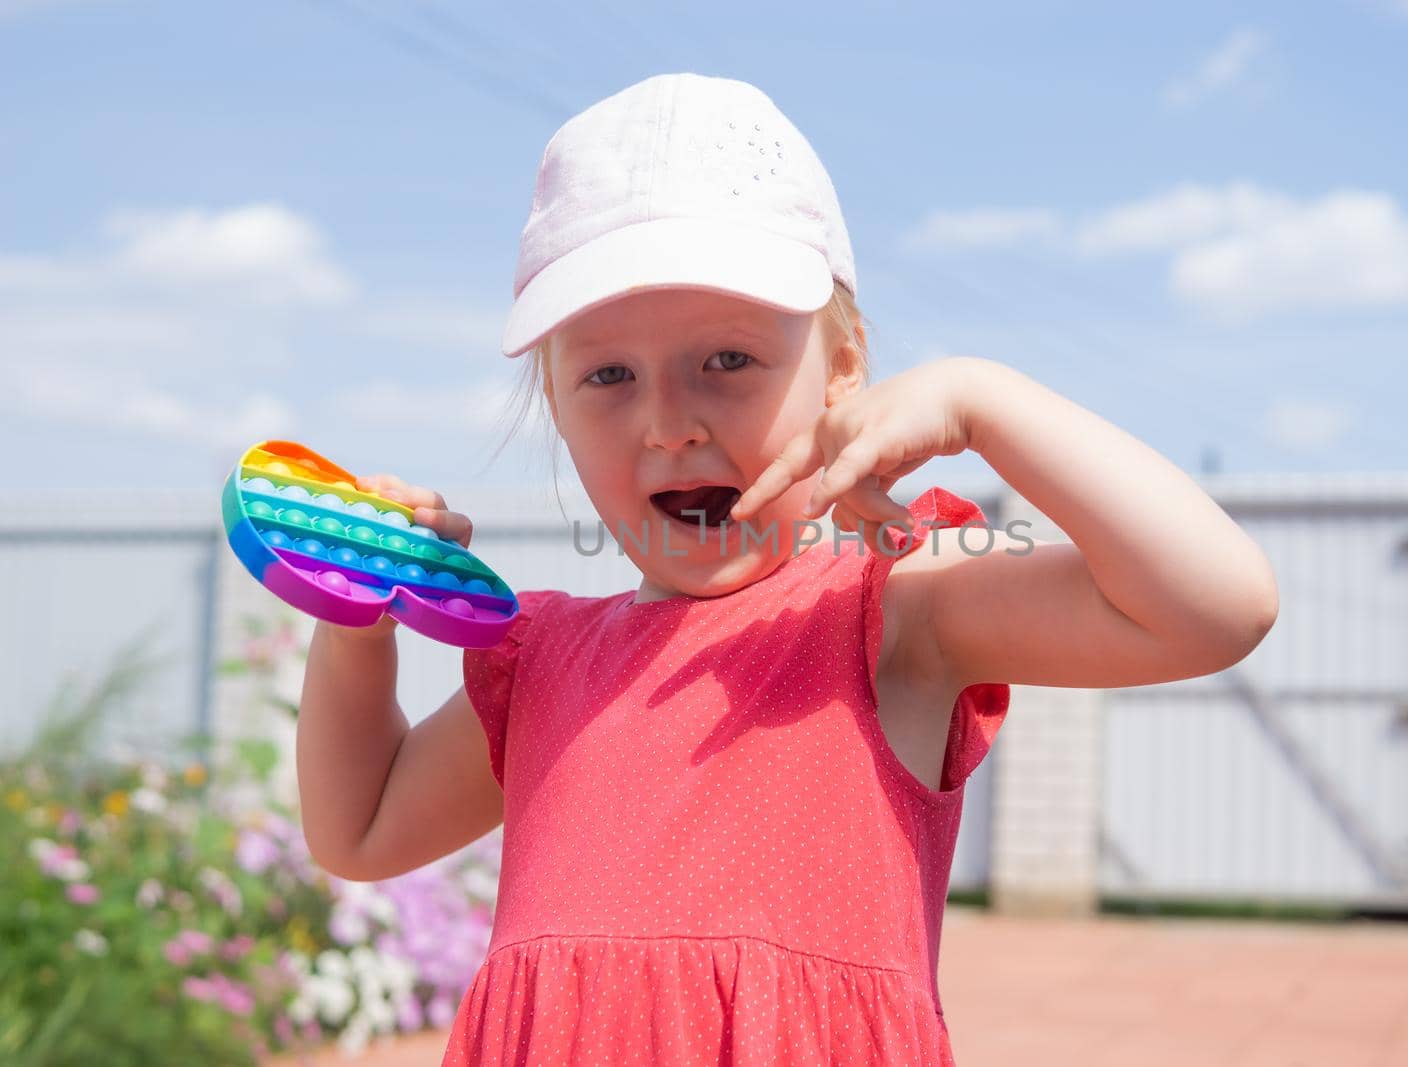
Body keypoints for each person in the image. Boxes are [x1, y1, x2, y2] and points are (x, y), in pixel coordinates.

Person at [295, 72, 1280, 1066]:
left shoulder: (897, 611)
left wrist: (984, 399)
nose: (669, 422)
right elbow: (361, 828)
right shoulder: (544, 661)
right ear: (552, 401)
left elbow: (1215, 606)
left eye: (727, 359)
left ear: (844, 369)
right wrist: (357, 620)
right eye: (607, 375)